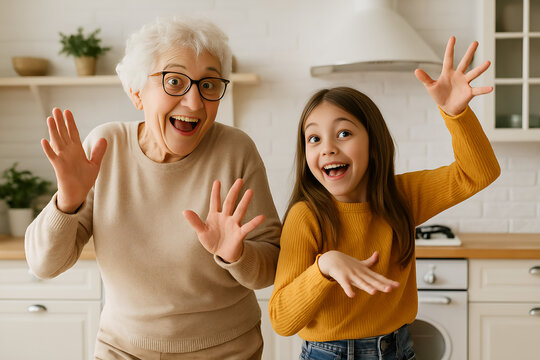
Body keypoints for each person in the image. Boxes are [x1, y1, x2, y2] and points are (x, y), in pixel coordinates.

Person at [25, 16, 281, 359]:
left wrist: (237, 256)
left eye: (208, 85)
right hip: (122, 348)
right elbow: (44, 265)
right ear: (136, 92)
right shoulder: (105, 146)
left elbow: (272, 264)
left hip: (225, 349)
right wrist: (67, 203)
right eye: (174, 81)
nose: (193, 103)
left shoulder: (235, 150)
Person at [268, 36, 501, 360]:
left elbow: (480, 173)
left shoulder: (401, 197)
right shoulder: (306, 216)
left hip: (397, 350)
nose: (327, 148)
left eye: (344, 133)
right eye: (314, 138)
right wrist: (325, 267)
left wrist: (456, 115)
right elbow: (281, 320)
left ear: (374, 145)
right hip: (328, 354)